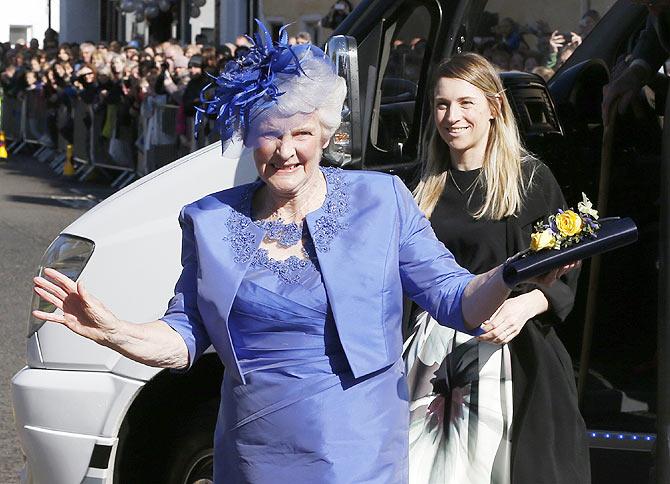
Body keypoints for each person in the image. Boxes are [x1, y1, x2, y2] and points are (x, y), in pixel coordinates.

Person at [31, 27, 576, 484]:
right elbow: (184, 338)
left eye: (301, 133)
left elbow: (456, 300)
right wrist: (116, 331)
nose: (286, 150)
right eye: (270, 134)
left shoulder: (381, 202)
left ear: (325, 133)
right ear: (248, 138)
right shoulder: (210, 220)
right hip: (254, 454)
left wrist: (512, 276)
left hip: (359, 454)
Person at [404, 52, 590, 484]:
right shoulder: (421, 185)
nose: (453, 116)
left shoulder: (529, 179)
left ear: (494, 107)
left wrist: (525, 306)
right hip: (433, 361)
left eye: (466, 103)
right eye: (442, 104)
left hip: (512, 348)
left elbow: (567, 268)